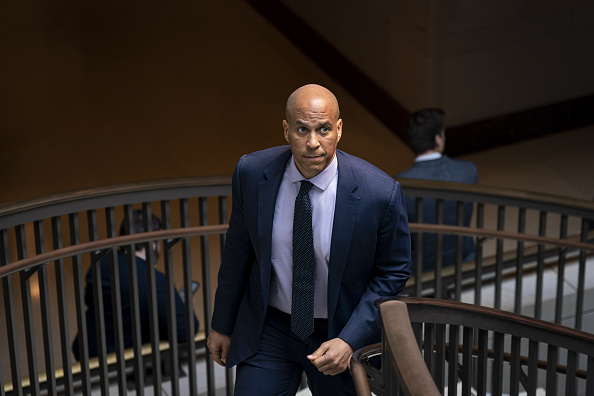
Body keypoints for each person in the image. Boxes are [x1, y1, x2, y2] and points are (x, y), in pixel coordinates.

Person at [207, 84, 411, 395]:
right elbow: (238, 250)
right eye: (302, 129)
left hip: (337, 331)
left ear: (339, 130)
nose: (313, 143)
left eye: (324, 129)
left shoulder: (379, 193)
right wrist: (222, 324)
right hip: (271, 327)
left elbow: (393, 272)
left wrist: (350, 339)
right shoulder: (251, 172)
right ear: (286, 130)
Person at [72, 210, 199, 361]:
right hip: (127, 363)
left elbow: (90, 300)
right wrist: (185, 307)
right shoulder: (155, 280)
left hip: (89, 356)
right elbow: (185, 331)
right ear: (153, 242)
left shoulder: (100, 266)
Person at [396, 108, 478, 274]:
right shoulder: (468, 171)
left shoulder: (397, 185)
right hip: (463, 259)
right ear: (438, 139)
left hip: (419, 269)